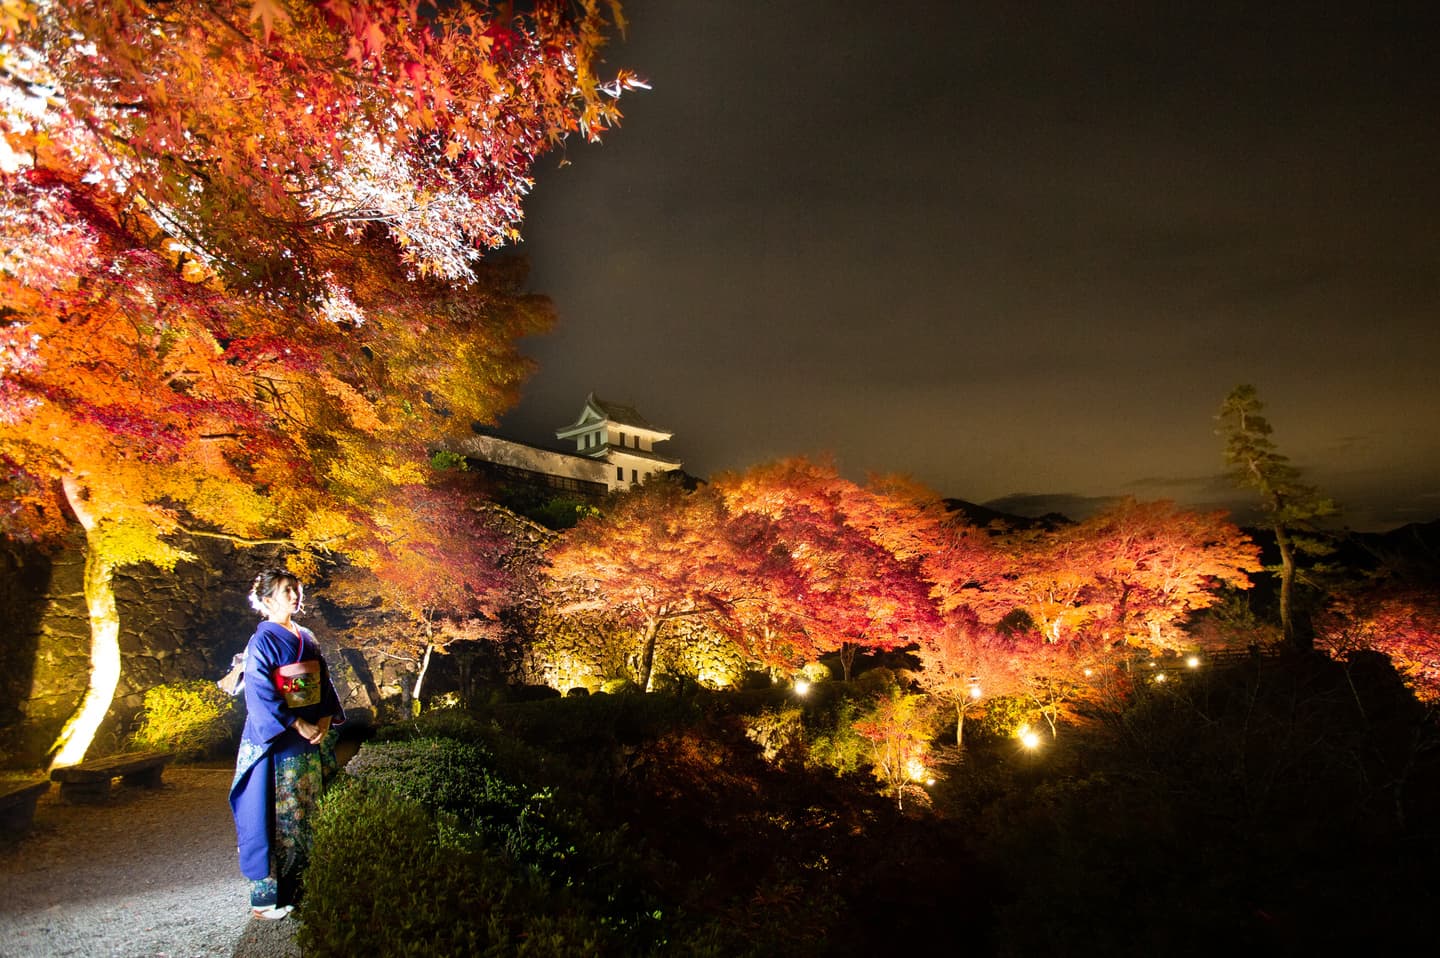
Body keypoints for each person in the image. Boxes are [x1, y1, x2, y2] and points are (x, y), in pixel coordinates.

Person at [228, 569, 345, 921]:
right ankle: (266, 900)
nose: (294, 595)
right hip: (280, 741)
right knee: (275, 816)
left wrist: (323, 720)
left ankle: (305, 887)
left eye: (296, 589)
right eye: (285, 591)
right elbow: (260, 692)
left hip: (309, 738)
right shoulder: (261, 642)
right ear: (266, 601)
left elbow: (322, 681)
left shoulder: (306, 636)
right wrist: (298, 722)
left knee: (308, 813)